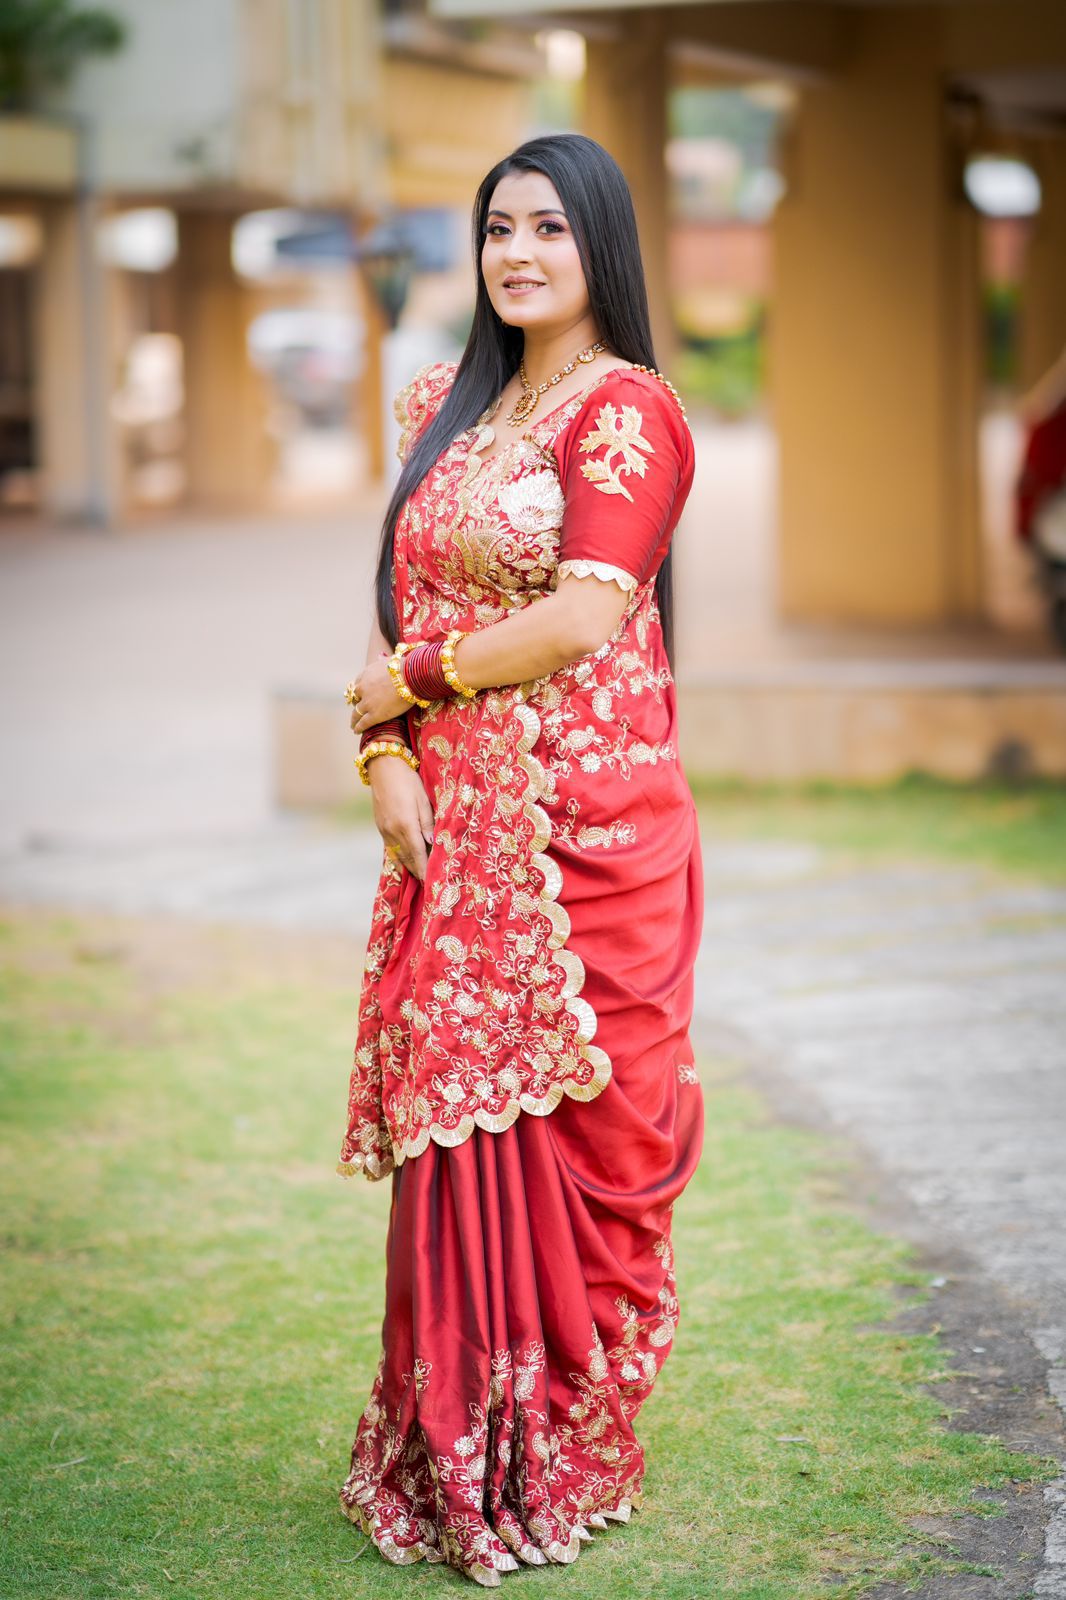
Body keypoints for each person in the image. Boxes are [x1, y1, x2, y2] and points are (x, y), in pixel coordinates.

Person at [336, 132, 705, 1588]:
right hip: (450, 826)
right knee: (456, 1135)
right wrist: (381, 757)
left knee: (583, 1143)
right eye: (497, 228)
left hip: (579, 834)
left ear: (597, 244)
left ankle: (554, 1435)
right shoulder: (443, 399)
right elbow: (387, 600)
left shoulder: (628, 416)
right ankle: (445, 1433)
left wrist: (410, 690)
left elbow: (584, 618)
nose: (517, 253)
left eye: (549, 227)